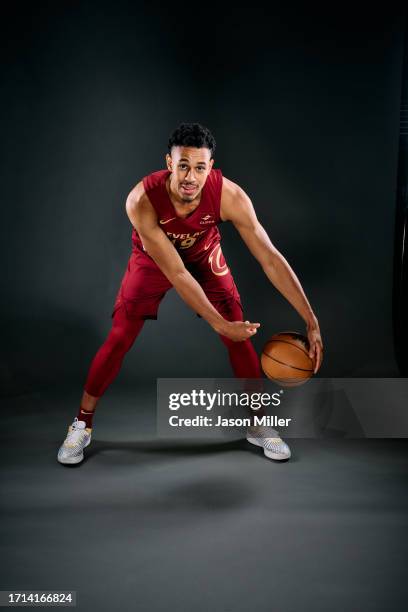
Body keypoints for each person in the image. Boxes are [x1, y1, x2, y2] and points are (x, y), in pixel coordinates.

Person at [57, 123, 323, 465]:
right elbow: (177, 273)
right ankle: (82, 422)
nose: (190, 176)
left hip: (203, 252)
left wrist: (310, 318)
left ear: (211, 167)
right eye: (183, 165)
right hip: (155, 259)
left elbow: (270, 258)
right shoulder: (141, 200)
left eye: (199, 167)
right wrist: (218, 324)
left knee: (239, 335)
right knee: (120, 336)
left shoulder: (230, 196)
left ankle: (258, 425)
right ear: (169, 162)